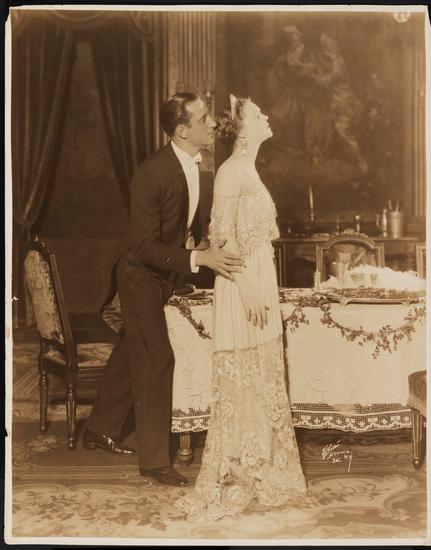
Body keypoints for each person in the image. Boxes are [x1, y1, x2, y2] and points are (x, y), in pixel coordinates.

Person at [83, 93, 244, 487]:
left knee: (132, 347)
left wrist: (208, 246)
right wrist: (199, 259)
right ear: (182, 131)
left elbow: (187, 229)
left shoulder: (201, 167)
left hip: (165, 273)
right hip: (139, 274)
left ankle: (99, 429)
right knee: (158, 357)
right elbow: (143, 246)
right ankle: (155, 461)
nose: (213, 123)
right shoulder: (150, 173)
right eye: (204, 119)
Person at [176, 95, 307, 521]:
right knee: (243, 374)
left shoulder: (250, 168)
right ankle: (237, 469)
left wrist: (261, 287)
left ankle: (259, 467)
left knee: (262, 374)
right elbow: (222, 235)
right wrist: (248, 289)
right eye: (257, 114)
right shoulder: (231, 170)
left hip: (260, 281)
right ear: (243, 130)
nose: (266, 117)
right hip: (240, 285)